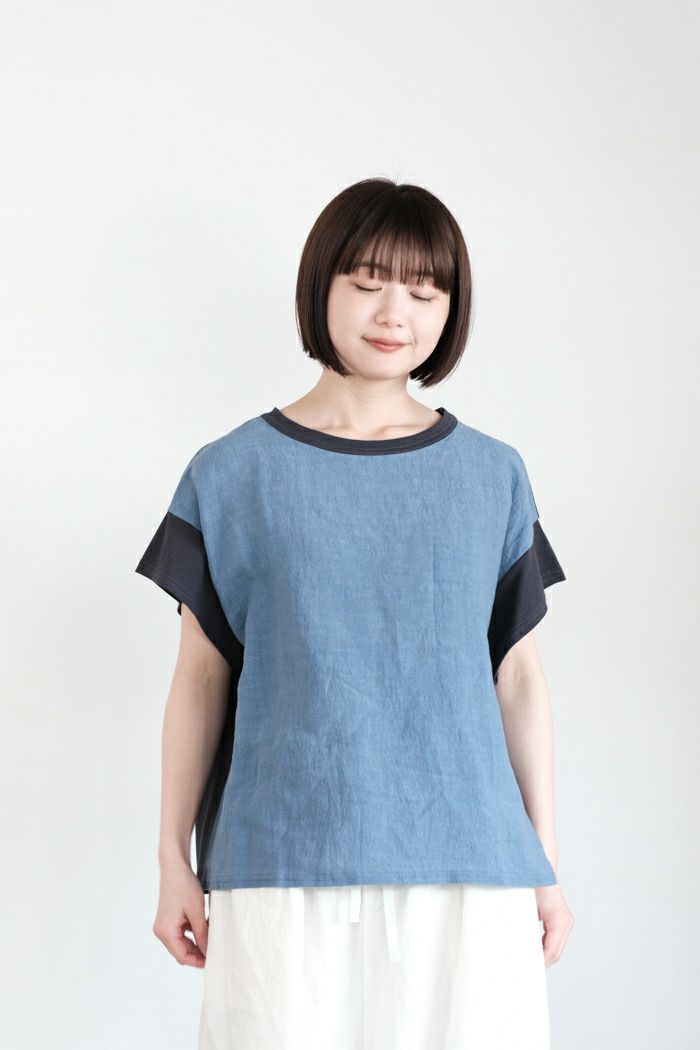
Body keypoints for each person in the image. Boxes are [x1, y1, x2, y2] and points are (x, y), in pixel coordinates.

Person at [135, 177, 575, 1050]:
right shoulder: (230, 473)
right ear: (321, 285)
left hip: (471, 868)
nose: (394, 313)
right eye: (369, 281)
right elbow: (200, 679)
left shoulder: (493, 475)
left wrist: (546, 864)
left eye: (425, 291)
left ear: (451, 309)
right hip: (281, 860)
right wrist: (171, 860)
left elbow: (518, 677)